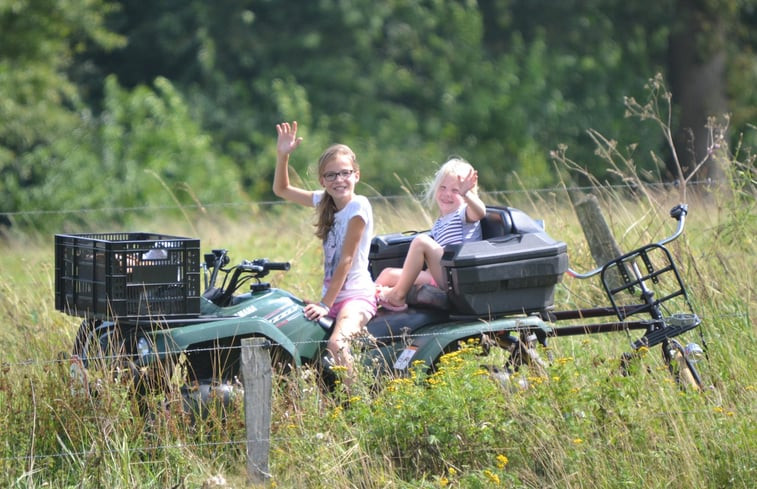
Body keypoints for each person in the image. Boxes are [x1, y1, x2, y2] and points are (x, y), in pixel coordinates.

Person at [273, 121, 377, 384]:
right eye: (331, 175)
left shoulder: (358, 207)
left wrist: (324, 305)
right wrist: (283, 155)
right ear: (322, 180)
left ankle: (361, 407)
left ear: (357, 175)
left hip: (355, 297)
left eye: (345, 173)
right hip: (331, 298)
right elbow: (281, 190)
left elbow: (347, 259)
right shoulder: (324, 201)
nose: (339, 180)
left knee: (336, 346)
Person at [375, 157, 486, 311]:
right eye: (443, 187)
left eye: (455, 190)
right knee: (387, 274)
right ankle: (368, 305)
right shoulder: (440, 222)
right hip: (440, 275)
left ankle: (397, 296)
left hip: (457, 278)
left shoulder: (465, 214)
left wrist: (466, 194)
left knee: (421, 241)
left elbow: (480, 212)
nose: (447, 194)